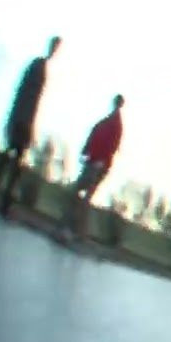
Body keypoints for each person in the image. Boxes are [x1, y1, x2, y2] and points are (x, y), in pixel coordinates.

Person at [0, 36, 60, 217]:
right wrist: (25, 123)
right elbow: (27, 96)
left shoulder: (41, 67)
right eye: (54, 48)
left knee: (11, 160)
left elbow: (30, 98)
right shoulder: (38, 66)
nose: (54, 52)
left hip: (23, 119)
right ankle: (0, 200)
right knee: (13, 163)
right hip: (22, 120)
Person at [61, 94, 124, 241]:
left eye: (117, 103)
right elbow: (94, 136)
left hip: (98, 166)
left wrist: (100, 162)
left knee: (83, 195)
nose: (115, 105)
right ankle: (76, 231)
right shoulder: (107, 122)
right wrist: (86, 151)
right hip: (93, 162)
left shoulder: (115, 124)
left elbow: (112, 145)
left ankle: (76, 232)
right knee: (80, 194)